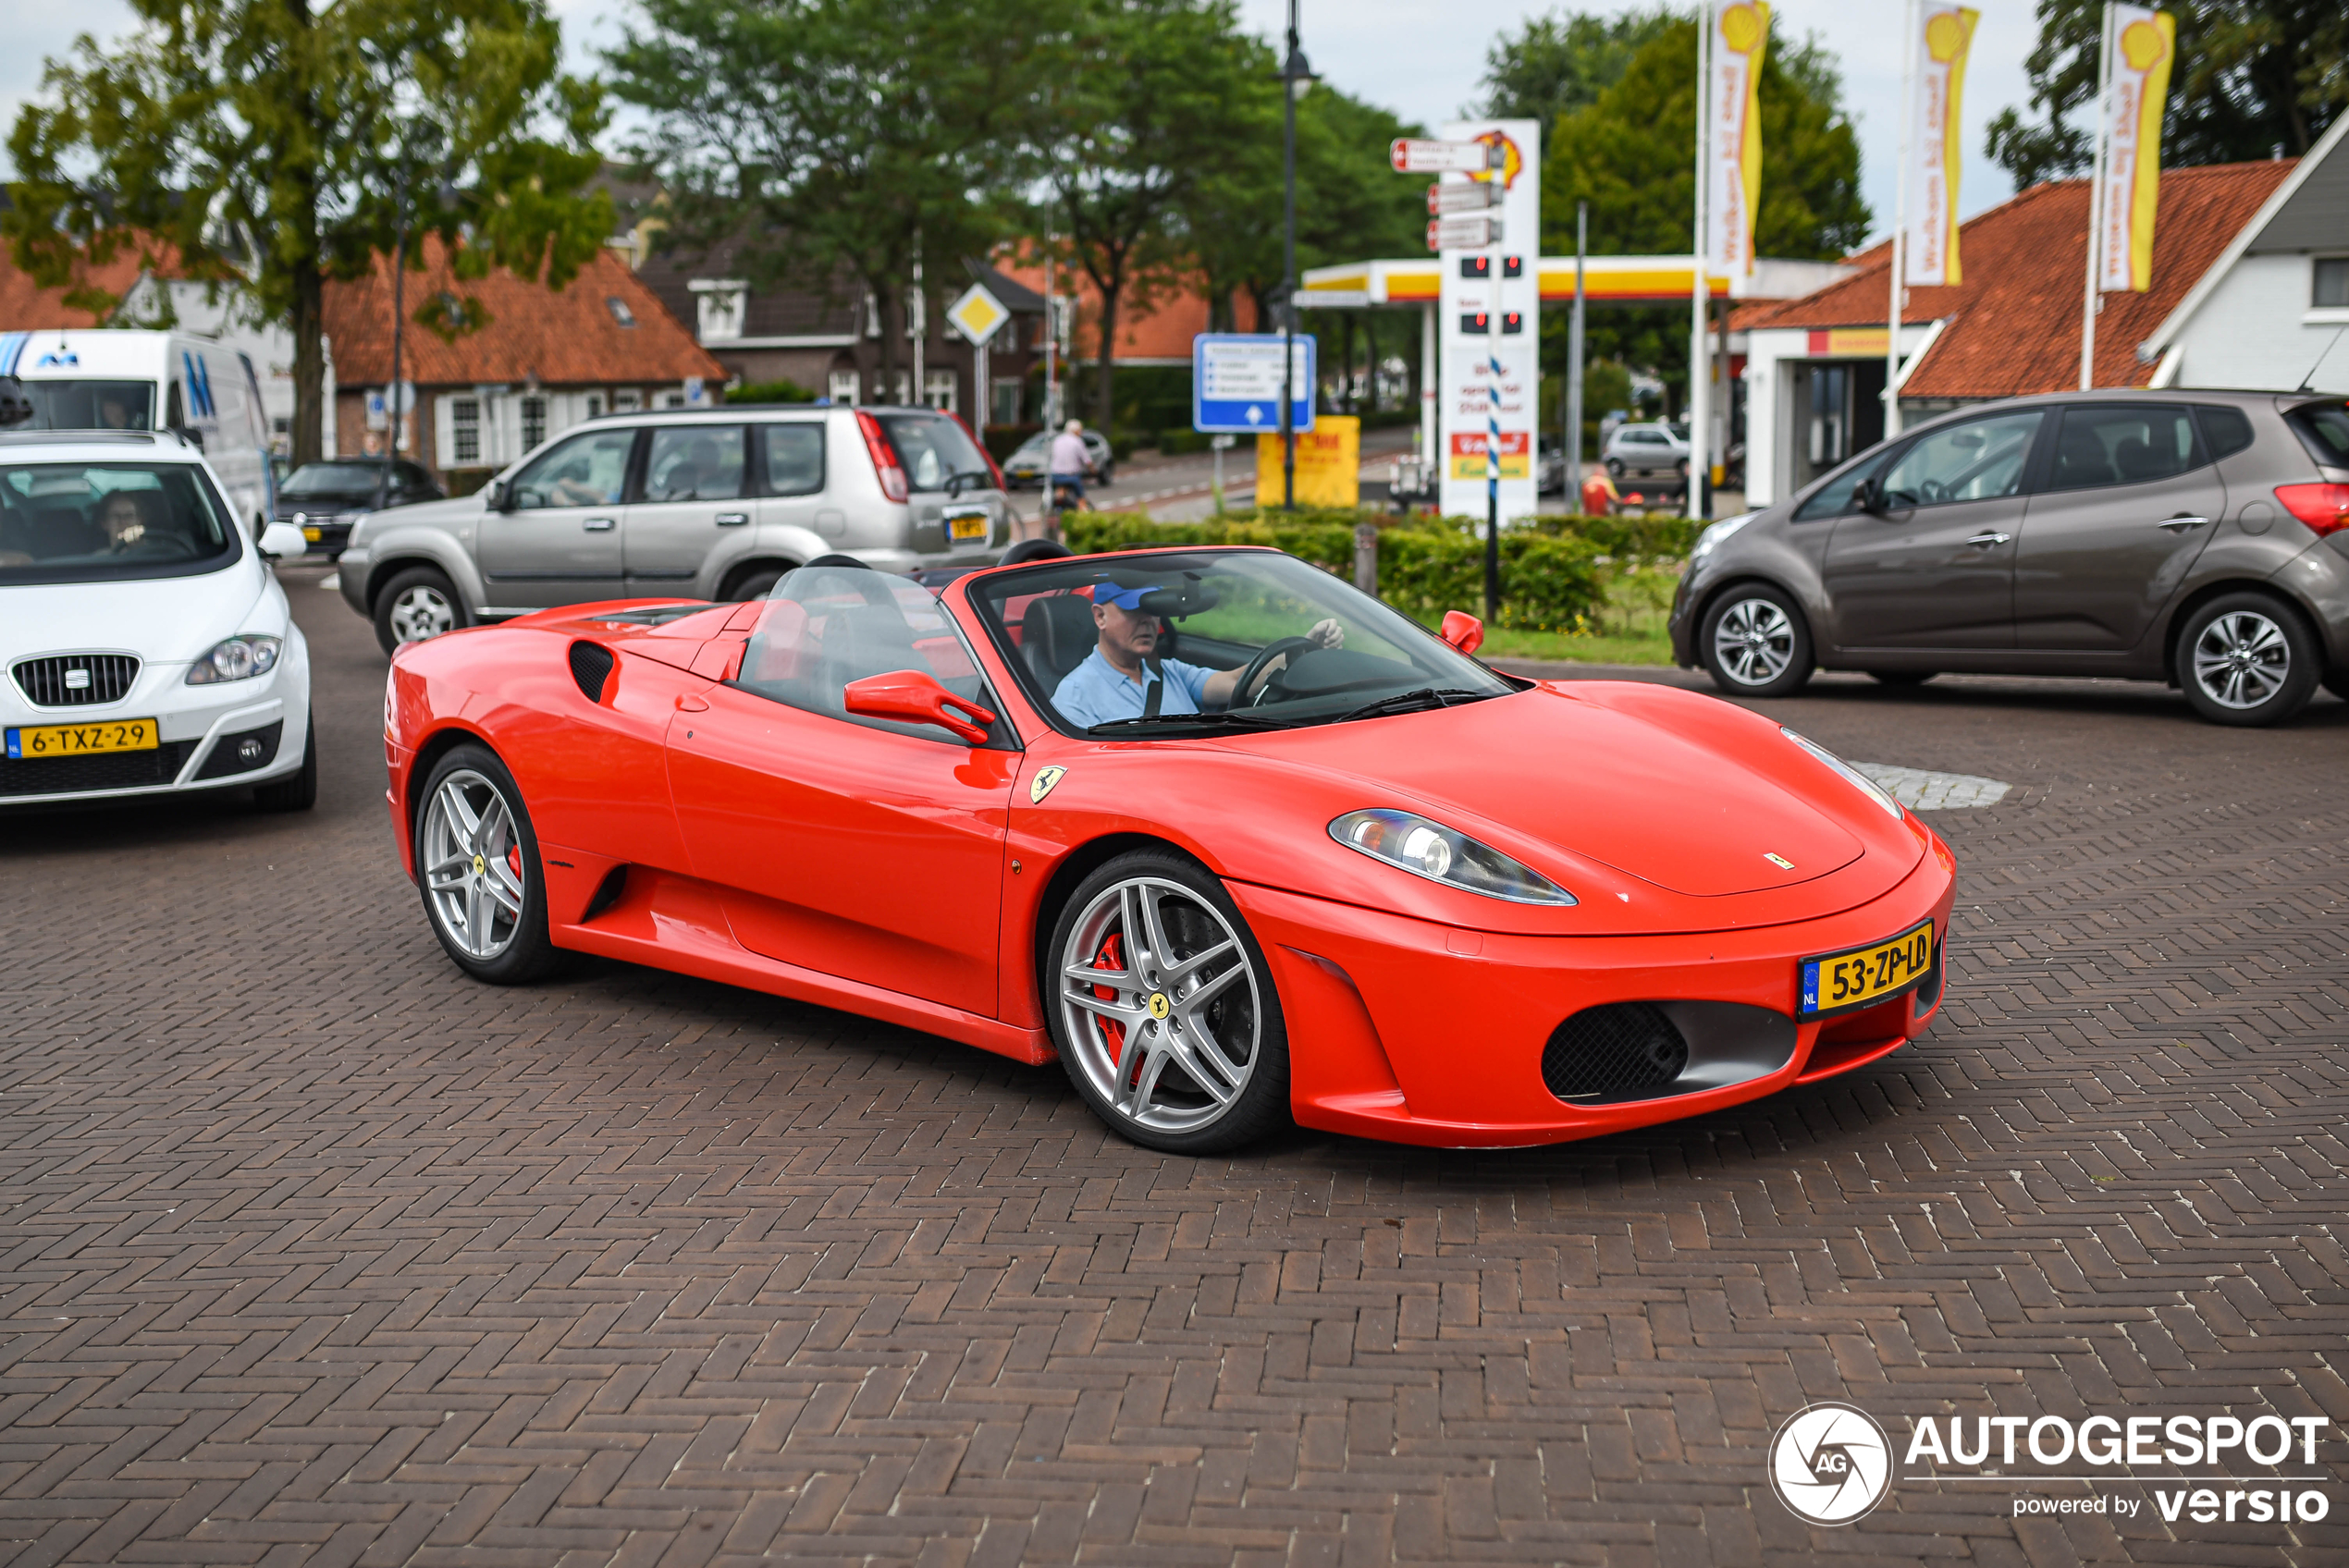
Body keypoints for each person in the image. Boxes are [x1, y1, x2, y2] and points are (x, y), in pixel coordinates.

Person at [1052, 581, 1343, 729]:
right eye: (1134, 610)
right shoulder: (1075, 695)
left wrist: (1303, 649)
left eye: (1154, 610)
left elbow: (1236, 682)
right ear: (1099, 616)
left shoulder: (1169, 671)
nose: (1148, 621)